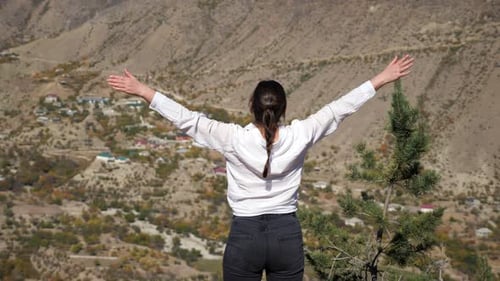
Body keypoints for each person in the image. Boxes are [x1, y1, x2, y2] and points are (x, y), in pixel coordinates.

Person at [107, 55, 414, 281]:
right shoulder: (301, 134)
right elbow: (339, 109)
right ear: (282, 110)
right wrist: (380, 79)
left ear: (251, 106)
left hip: (246, 236)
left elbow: (188, 119)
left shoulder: (232, 138)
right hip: (286, 236)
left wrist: (144, 90)